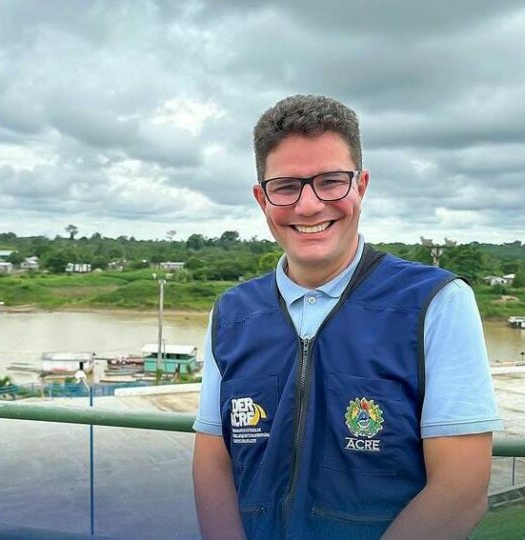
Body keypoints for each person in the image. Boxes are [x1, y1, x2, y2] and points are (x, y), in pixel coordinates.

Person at [191, 95, 502, 539]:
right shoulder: (231, 314)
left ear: (361, 186)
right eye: (286, 186)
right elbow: (212, 462)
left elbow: (461, 489)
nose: (309, 205)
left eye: (331, 182)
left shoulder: (437, 303)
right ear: (262, 198)